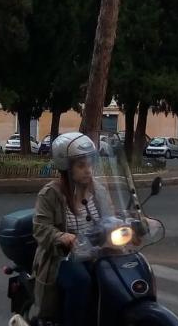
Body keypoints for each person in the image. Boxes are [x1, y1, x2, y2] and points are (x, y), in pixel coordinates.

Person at [30, 132, 111, 326]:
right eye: (81, 166)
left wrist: (131, 223)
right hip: (62, 257)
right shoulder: (51, 194)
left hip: (96, 253)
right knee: (80, 280)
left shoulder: (99, 190)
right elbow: (40, 228)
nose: (88, 170)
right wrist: (61, 236)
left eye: (90, 165)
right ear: (67, 167)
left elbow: (111, 218)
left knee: (115, 278)